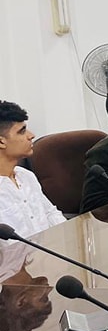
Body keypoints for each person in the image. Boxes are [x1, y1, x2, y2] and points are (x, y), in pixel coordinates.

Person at [0, 101, 65, 239]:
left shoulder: (26, 176)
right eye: (22, 131)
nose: (31, 135)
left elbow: (50, 213)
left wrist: (69, 239)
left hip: (50, 249)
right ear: (1, 142)